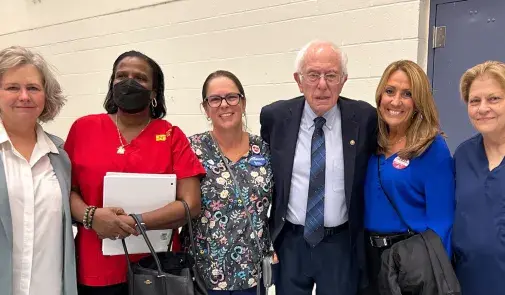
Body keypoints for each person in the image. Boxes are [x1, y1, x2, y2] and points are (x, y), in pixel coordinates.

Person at [64, 50, 206, 295]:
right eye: (121, 76)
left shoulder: (171, 135)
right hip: (96, 267)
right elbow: (67, 191)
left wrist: (133, 223)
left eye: (140, 78)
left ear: (153, 92)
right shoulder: (83, 128)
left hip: (156, 268)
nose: (129, 82)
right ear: (112, 84)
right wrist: (91, 216)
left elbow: (191, 204)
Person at [260, 40, 377, 295]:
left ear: (343, 80)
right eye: (313, 75)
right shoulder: (275, 117)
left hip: (340, 243)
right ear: (298, 80)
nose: (322, 85)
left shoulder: (365, 118)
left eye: (331, 75)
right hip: (291, 241)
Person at [363, 60, 455, 294]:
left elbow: (442, 221)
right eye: (390, 91)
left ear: (418, 102)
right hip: (367, 259)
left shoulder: (432, 148)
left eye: (407, 94)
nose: (395, 101)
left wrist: (435, 272)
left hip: (410, 262)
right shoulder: (369, 141)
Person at [185, 70, 274, 295]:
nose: (224, 104)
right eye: (215, 99)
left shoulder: (264, 148)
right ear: (206, 108)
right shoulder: (191, 149)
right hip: (204, 274)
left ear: (243, 103)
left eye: (232, 97)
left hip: (253, 273)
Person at [0, 46, 77, 295]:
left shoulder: (60, 155)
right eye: (12, 87)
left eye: (33, 88)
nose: (24, 96)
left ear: (46, 96)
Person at [452, 61, 505, 295]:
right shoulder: (463, 155)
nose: (482, 108)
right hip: (467, 282)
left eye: (494, 98)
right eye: (475, 101)